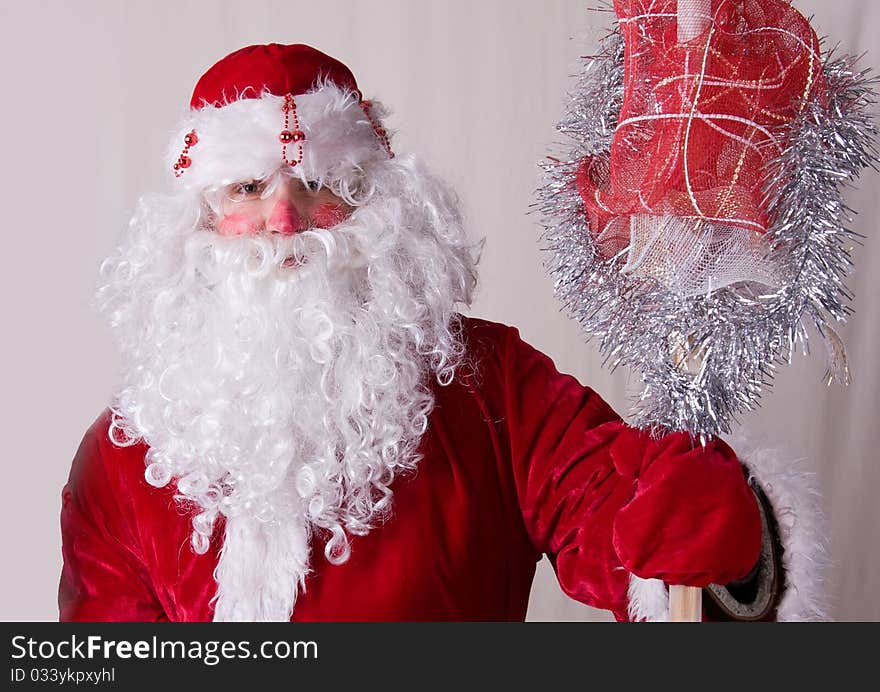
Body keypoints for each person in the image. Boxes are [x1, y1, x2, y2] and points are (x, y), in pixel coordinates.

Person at [59, 43, 817, 622]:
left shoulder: (495, 385)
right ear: (197, 219)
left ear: (378, 206)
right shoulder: (119, 460)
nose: (284, 219)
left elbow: (618, 512)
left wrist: (711, 533)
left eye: (320, 184)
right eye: (249, 187)